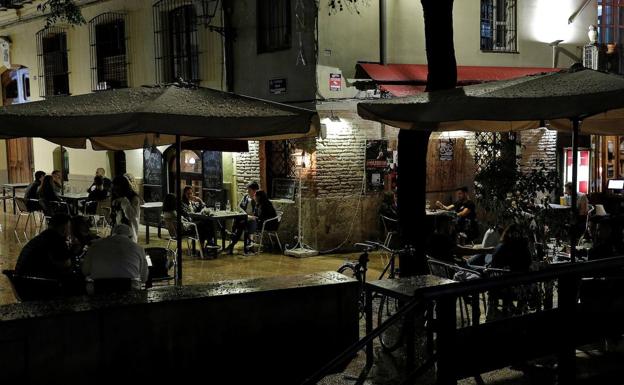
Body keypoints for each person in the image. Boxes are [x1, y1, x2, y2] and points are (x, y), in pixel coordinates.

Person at [81, 224, 148, 290]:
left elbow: (85, 271)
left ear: (111, 234)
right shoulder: (138, 248)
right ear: (130, 237)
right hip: (130, 292)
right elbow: (144, 278)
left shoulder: (95, 246)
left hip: (99, 291)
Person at [14, 213, 73, 280]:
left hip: (21, 281)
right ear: (64, 228)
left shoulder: (43, 237)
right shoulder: (56, 239)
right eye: (70, 227)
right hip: (38, 283)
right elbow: (67, 264)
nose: (70, 231)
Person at [466, 224, 532, 272]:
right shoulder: (525, 251)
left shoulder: (503, 248)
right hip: (501, 265)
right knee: (485, 254)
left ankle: (466, 265)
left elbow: (494, 265)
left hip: (492, 267)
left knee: (482, 256)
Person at [226, 182, 260, 254]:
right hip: (244, 217)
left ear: (255, 191)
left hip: (253, 221)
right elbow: (239, 207)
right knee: (238, 220)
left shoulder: (258, 200)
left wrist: (254, 200)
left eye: (249, 190)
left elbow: (257, 215)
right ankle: (234, 237)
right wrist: (242, 212)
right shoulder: (245, 197)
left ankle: (232, 240)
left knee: (241, 224)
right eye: (247, 190)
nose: (247, 192)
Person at [110, 175, 141, 242]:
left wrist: (124, 201)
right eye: (114, 190)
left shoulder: (134, 198)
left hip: (130, 232)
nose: (116, 192)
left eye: (117, 190)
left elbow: (131, 216)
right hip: (118, 231)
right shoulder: (116, 198)